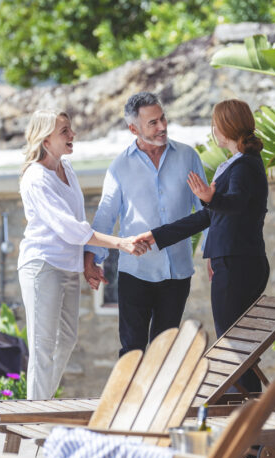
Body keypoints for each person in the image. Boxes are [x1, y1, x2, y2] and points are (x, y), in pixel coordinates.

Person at [134, 99, 270, 392]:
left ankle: (247, 423)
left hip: (240, 263)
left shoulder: (245, 166)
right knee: (233, 341)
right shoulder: (235, 164)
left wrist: (211, 198)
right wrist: (157, 236)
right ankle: (244, 418)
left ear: (225, 127)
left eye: (215, 124)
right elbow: (210, 216)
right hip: (231, 261)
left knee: (234, 343)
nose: (213, 131)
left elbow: (233, 205)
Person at [18, 109, 148, 399]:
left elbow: (78, 222)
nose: (72, 134)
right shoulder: (36, 178)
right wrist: (120, 243)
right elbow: (71, 229)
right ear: (45, 139)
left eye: (70, 129)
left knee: (66, 340)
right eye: (64, 131)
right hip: (42, 266)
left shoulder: (67, 169)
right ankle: (36, 413)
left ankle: (40, 404)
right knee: (42, 344)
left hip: (66, 267)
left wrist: (86, 263)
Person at [83, 92, 207, 356]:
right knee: (132, 351)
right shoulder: (119, 167)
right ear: (133, 128)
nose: (162, 126)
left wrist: (213, 256)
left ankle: (160, 399)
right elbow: (106, 215)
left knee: (165, 351)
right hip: (136, 271)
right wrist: (91, 259)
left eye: (162, 118)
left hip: (177, 272)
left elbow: (206, 210)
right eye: (152, 123)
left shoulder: (187, 156)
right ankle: (128, 399)